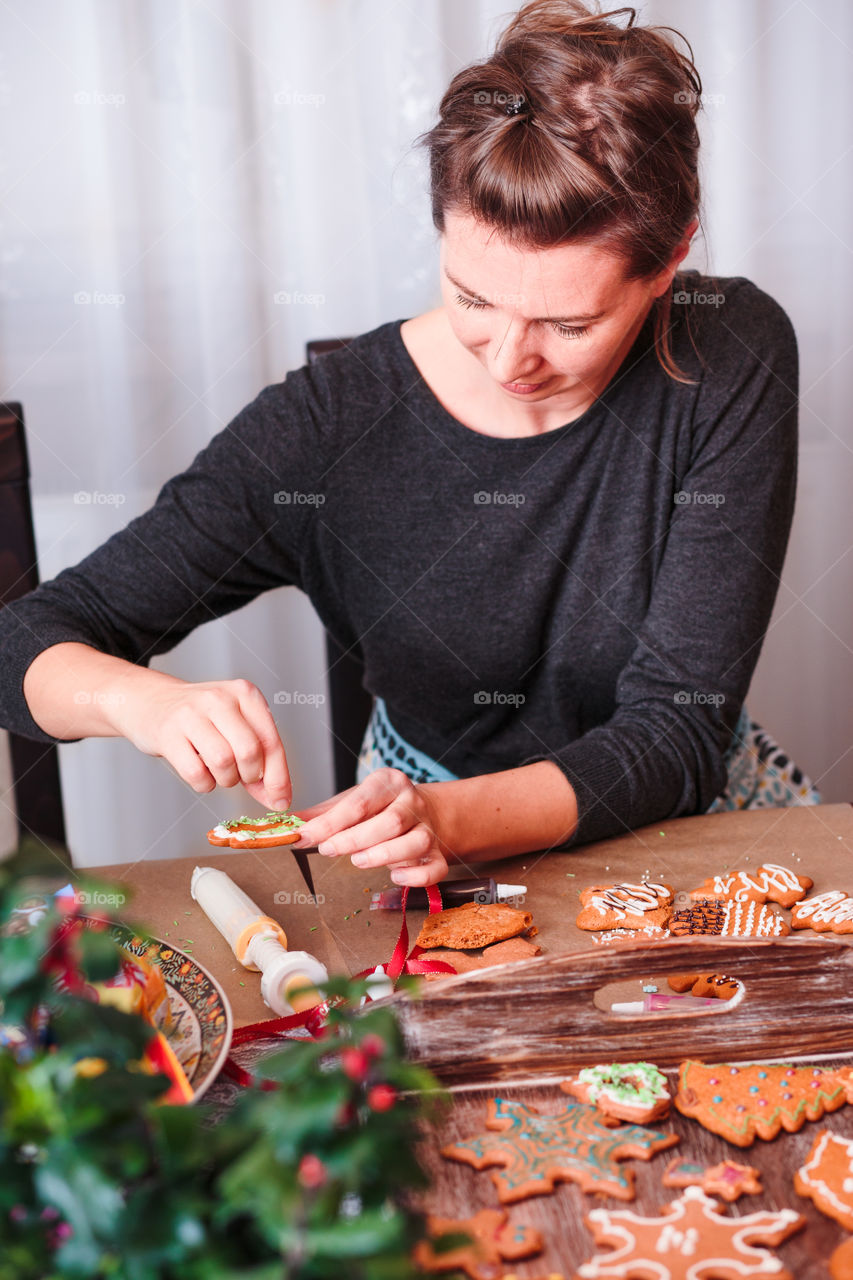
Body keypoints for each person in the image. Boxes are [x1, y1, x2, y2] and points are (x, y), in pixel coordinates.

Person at [0, 1, 817, 890]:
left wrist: (451, 816)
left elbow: (676, 732)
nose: (512, 359)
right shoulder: (327, 430)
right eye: (471, 297)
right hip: (417, 855)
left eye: (568, 322)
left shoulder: (727, 348)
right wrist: (135, 698)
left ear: (667, 266)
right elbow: (21, 644)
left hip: (683, 824)